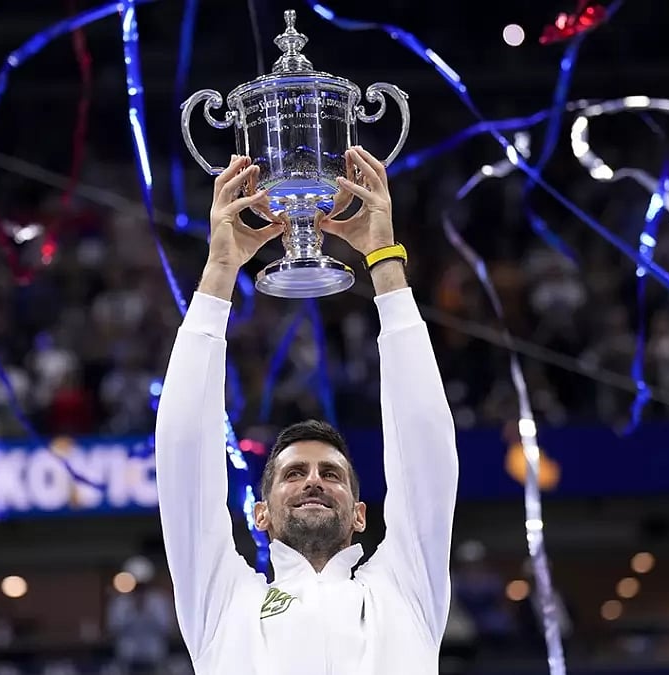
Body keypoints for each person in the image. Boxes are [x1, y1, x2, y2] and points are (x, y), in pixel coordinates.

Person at [155, 148, 459, 674]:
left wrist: (384, 260)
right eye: (293, 473)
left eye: (332, 475)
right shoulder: (224, 603)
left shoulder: (405, 588)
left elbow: (426, 443)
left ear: (361, 515)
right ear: (261, 513)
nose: (314, 481)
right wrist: (220, 272)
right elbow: (182, 454)